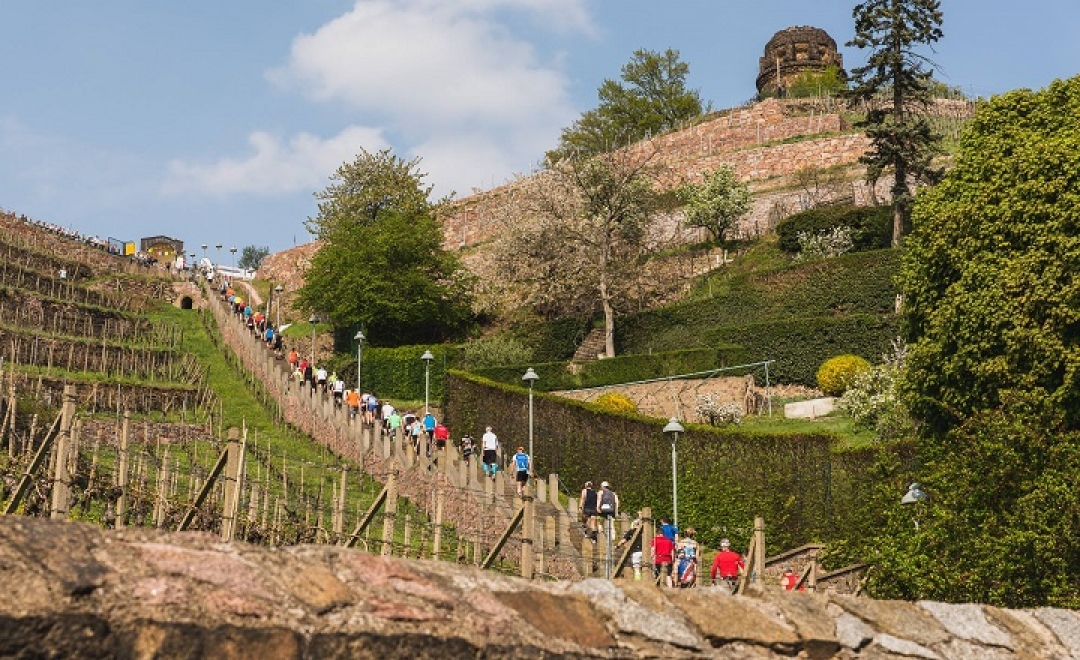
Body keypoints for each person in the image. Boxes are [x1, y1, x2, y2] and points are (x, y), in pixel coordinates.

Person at [615, 511, 644, 580]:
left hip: (636, 551)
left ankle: (638, 582)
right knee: (646, 568)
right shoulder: (644, 531)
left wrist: (617, 546)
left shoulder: (631, 532)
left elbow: (623, 541)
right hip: (645, 552)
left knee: (636, 569)